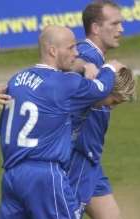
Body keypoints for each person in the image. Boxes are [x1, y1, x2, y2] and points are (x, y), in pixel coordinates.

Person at [0, 25, 122, 219]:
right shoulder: (63, 83)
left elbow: (1, 128)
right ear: (52, 51)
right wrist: (110, 68)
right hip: (45, 176)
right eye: (71, 48)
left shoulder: (16, 80)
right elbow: (101, 88)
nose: (77, 52)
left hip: (12, 175)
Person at [68, 1, 128, 219]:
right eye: (115, 24)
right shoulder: (88, 55)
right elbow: (69, 66)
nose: (121, 29)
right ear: (95, 28)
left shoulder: (98, 58)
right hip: (77, 159)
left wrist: (112, 99)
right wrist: (82, 65)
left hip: (91, 159)